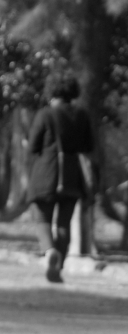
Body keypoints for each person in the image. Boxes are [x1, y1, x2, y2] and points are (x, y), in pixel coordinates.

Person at [28, 70, 94, 283]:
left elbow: (33, 146)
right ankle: (59, 266)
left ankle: (49, 252)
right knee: (64, 223)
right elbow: (88, 146)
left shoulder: (45, 114)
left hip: (45, 174)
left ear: (52, 91)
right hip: (71, 176)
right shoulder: (82, 115)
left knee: (42, 218)